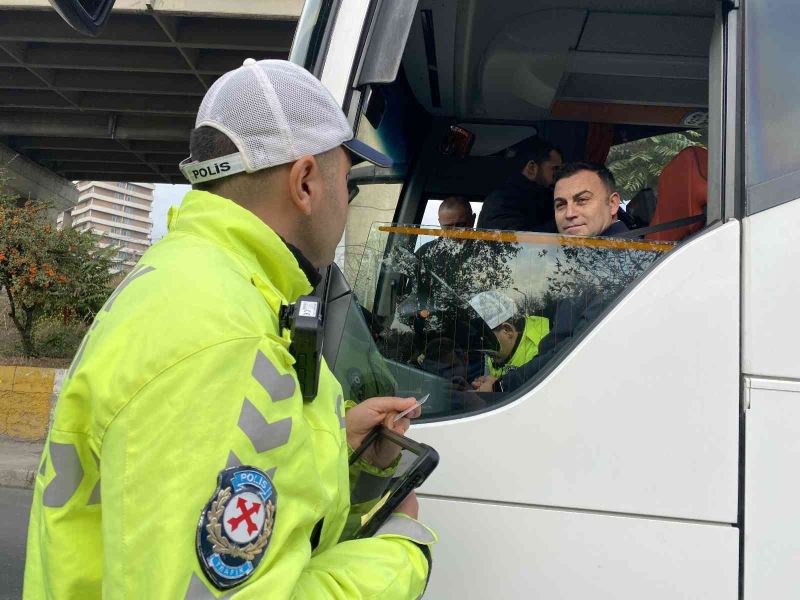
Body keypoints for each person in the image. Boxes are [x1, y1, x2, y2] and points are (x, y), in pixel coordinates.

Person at [24, 59, 435, 599]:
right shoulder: (225, 339)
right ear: (306, 181)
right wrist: (400, 555)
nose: (346, 204)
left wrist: (335, 444)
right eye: (349, 185)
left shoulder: (191, 284)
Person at [474, 162, 628, 393]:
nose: (570, 213)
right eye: (560, 205)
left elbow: (574, 348)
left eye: (582, 200)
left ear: (613, 203)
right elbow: (556, 342)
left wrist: (502, 386)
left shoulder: (621, 262)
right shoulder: (590, 258)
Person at [476, 137, 563, 232]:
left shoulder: (538, 198)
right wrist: (563, 221)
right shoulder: (504, 200)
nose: (559, 176)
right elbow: (513, 242)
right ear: (531, 168)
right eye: (555, 169)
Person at [467, 291, 550, 391]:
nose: (486, 351)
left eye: (486, 341)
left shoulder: (543, 346)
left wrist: (498, 388)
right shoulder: (496, 350)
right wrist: (487, 382)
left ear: (507, 330)